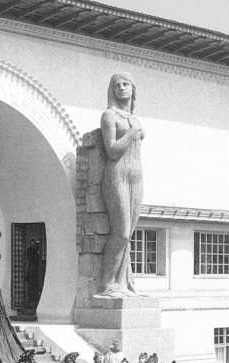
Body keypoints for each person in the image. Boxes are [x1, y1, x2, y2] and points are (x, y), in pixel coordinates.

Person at [96, 72, 145, 297]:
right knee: (122, 233)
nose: (122, 88)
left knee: (129, 234)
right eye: (117, 85)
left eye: (126, 84)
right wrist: (133, 131)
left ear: (133, 89)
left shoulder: (133, 118)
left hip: (136, 176)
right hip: (117, 175)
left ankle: (123, 283)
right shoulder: (109, 115)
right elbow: (112, 151)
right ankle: (108, 284)